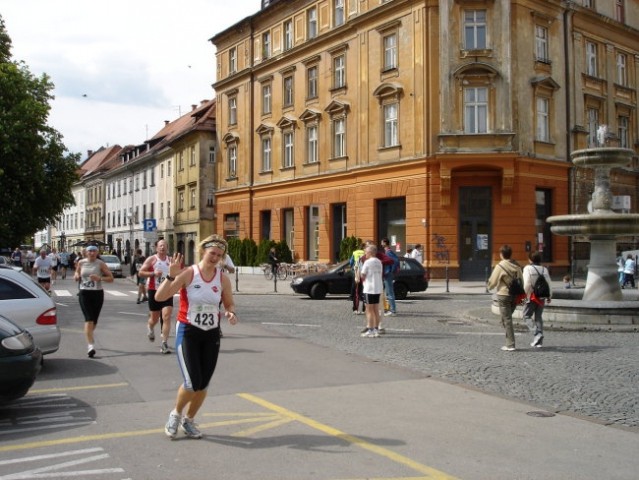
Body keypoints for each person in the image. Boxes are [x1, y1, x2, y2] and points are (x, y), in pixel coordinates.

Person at [155, 235, 239, 440]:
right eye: (212, 254)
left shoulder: (222, 278)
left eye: (219, 255)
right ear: (204, 252)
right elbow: (160, 297)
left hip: (211, 334)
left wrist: (230, 312)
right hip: (188, 332)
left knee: (204, 384)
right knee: (192, 381)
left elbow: (229, 302)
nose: (215, 258)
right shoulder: (189, 274)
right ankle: (175, 414)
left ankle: (189, 420)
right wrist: (170, 276)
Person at [74, 243, 114, 358]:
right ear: (86, 252)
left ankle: (89, 335)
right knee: (89, 319)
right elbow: (77, 271)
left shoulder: (100, 264)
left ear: (97, 253)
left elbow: (111, 278)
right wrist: (76, 276)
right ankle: (90, 346)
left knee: (94, 321)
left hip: (97, 293)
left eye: (94, 251)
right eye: (89, 251)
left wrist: (99, 278)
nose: (91, 253)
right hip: (84, 293)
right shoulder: (81, 262)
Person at [139, 239, 174, 354]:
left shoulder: (171, 261)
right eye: (160, 246)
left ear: (167, 248)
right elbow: (141, 272)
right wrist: (153, 273)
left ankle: (164, 343)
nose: (162, 248)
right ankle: (150, 326)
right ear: (156, 248)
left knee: (166, 316)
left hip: (167, 291)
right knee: (154, 318)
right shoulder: (152, 259)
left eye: (164, 246)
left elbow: (178, 274)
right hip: (154, 291)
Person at [487, 244, 523, 352]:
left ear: (502, 254)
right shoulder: (516, 265)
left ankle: (510, 344)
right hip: (515, 295)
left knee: (507, 320)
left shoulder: (500, 266)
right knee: (506, 319)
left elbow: (493, 281)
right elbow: (521, 280)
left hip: (504, 295)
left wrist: (490, 287)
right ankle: (509, 342)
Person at [522, 251, 552, 348]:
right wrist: (549, 296)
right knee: (538, 317)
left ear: (530, 259)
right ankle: (539, 342)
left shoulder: (528, 268)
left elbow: (526, 283)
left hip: (531, 296)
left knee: (526, 316)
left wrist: (524, 296)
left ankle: (537, 333)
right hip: (542, 297)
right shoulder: (544, 269)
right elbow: (549, 283)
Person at [359, 245, 383, 338]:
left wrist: (360, 272)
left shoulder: (367, 262)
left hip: (369, 288)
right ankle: (376, 330)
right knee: (376, 310)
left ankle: (370, 330)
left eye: (366, 252)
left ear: (370, 252)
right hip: (378, 288)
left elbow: (363, 275)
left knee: (369, 310)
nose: (365, 254)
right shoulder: (379, 262)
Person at [381, 238, 399, 317]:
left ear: (385, 243)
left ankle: (393, 310)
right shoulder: (387, 251)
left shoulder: (388, 252)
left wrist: (390, 271)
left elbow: (395, 261)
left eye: (382, 242)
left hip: (388, 274)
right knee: (388, 292)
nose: (381, 243)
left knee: (390, 292)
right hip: (387, 274)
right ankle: (390, 309)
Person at [349, 244, 366, 314]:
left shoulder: (355, 252)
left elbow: (351, 262)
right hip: (364, 274)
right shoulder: (366, 253)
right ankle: (364, 310)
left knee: (357, 292)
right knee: (365, 292)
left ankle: (355, 309)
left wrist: (352, 268)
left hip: (357, 273)